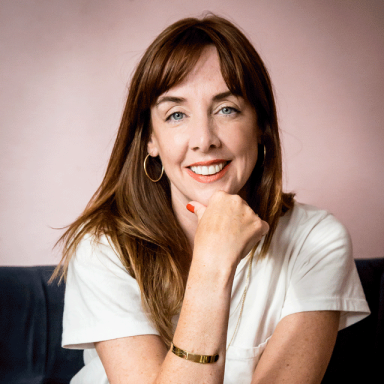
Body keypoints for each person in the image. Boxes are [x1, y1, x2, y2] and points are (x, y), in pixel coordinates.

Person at [53, 14, 370, 384]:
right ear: (150, 140)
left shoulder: (317, 239)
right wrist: (212, 261)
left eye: (226, 109)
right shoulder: (102, 247)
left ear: (261, 127)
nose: (204, 139)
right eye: (176, 114)